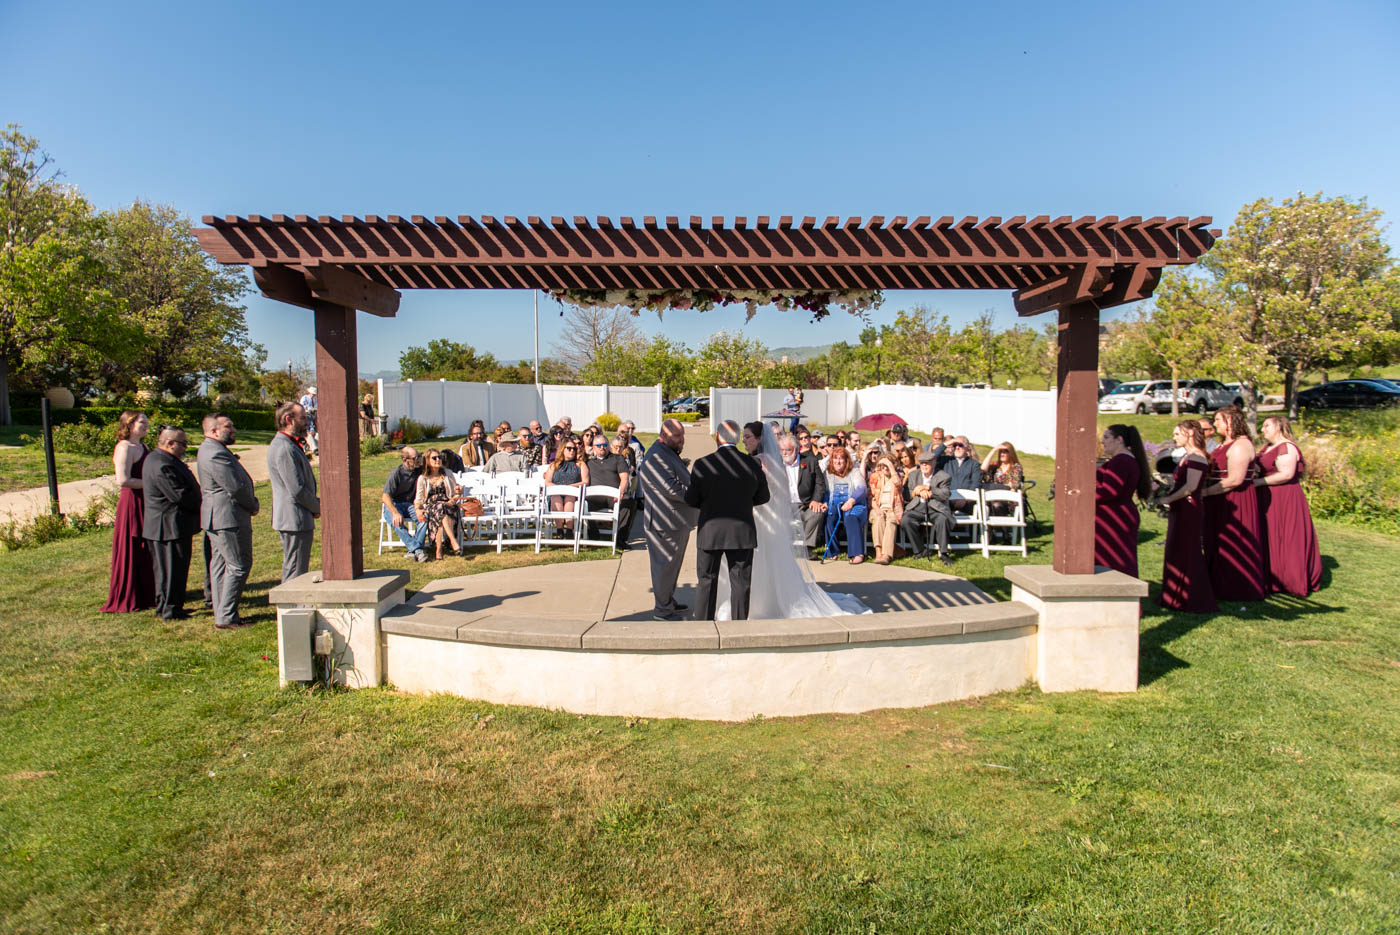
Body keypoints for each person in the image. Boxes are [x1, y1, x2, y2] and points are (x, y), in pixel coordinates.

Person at [686, 420, 771, 619]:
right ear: (737, 438)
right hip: (741, 531)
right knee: (741, 583)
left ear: (717, 437)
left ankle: (704, 625)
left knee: (706, 581)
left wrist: (708, 504)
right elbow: (764, 496)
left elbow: (691, 499)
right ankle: (738, 626)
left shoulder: (703, 464)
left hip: (710, 531)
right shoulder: (752, 463)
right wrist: (744, 503)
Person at [198, 413, 259, 629]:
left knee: (220, 565)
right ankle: (226, 616)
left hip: (218, 518)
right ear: (214, 431)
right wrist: (252, 504)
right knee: (238, 565)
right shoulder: (215, 453)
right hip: (228, 517)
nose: (233, 429)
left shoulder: (211, 449)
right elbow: (234, 487)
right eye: (228, 426)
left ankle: (221, 611)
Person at [1202, 406, 1267, 601]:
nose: (1215, 424)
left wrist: (1205, 492)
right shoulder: (1225, 443)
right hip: (1218, 498)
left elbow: (1235, 480)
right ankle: (1215, 582)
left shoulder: (1241, 445)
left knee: (1233, 539)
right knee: (1216, 538)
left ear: (1230, 420)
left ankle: (1235, 586)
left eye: (1218, 420)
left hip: (1235, 498)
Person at [1152, 419, 1217, 613]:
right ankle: (1175, 593)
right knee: (1176, 548)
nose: (1174, 438)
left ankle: (1190, 595)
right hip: (1180, 507)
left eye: (1177, 434)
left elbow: (1190, 487)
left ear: (1189, 434)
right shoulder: (1188, 456)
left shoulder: (1196, 457)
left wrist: (1168, 498)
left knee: (1187, 549)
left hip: (1189, 509)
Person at [1254, 415, 1322, 596]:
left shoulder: (1287, 447)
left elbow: (1286, 474)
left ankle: (1289, 578)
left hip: (1284, 496)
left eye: (1267, 426)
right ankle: (1272, 575)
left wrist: (1258, 482)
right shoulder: (1268, 447)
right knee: (1270, 534)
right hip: (1268, 496)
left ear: (1279, 427)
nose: (1262, 429)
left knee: (1286, 534)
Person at [142, 427, 202, 621]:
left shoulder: (160, 459)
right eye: (183, 444)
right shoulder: (162, 464)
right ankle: (170, 609)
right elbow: (179, 495)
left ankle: (168, 605)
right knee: (171, 570)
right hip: (168, 526)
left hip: (168, 525)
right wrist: (201, 502)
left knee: (170, 570)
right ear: (169, 443)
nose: (185, 447)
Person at [100, 410, 157, 613]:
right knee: (132, 544)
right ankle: (130, 593)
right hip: (132, 501)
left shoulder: (143, 446)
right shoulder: (124, 447)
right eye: (142, 422)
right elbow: (123, 480)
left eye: (147, 422)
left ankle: (147, 592)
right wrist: (151, 484)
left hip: (146, 500)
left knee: (146, 545)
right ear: (129, 425)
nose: (146, 426)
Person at [639, 419, 696, 620]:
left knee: (672, 567)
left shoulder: (666, 451)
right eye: (677, 436)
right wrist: (696, 495)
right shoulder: (656, 456)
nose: (682, 440)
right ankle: (662, 610)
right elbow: (671, 488)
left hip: (675, 521)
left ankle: (667, 601)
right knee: (663, 567)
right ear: (663, 435)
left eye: (682, 435)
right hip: (664, 522)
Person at [268, 401, 320, 583]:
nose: (307, 422)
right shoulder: (284, 448)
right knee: (295, 571)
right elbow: (296, 489)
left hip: (297, 516)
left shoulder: (288, 444)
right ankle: (290, 601)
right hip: (294, 518)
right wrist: (317, 507)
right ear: (288, 420)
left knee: (296, 566)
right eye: (303, 418)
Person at [1095, 424, 1151, 578]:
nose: (1102, 441)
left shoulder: (1121, 461)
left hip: (1114, 517)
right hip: (1116, 514)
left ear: (1119, 439)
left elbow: (1109, 491)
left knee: (1114, 562)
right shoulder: (1125, 460)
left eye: (1106, 437)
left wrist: (1082, 496)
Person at [900, 450, 955, 565]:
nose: (924, 465)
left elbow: (945, 494)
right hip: (917, 506)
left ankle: (944, 553)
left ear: (934, 463)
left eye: (927, 463)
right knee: (906, 520)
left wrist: (929, 489)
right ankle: (920, 550)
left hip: (936, 508)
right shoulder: (913, 475)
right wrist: (917, 492)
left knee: (942, 520)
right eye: (922, 463)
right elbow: (906, 494)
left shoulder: (943, 476)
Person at [778, 433, 827, 549]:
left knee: (817, 513)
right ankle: (782, 547)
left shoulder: (810, 461)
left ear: (796, 449)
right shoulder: (777, 464)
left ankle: (807, 547)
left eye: (787, 450)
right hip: (784, 505)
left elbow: (820, 484)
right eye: (781, 450)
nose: (784, 453)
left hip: (805, 504)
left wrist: (816, 500)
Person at [381, 447, 429, 562]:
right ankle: (418, 549)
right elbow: (385, 496)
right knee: (396, 521)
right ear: (404, 460)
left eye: (419, 456)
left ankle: (413, 550)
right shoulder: (396, 474)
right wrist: (395, 513)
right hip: (395, 504)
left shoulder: (420, 470)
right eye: (415, 458)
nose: (418, 460)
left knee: (424, 517)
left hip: (412, 504)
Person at [823, 444, 869, 564]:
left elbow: (861, 489)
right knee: (830, 517)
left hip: (854, 502)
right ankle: (832, 551)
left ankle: (857, 553)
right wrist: (825, 503)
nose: (838, 461)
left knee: (851, 517)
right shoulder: (828, 474)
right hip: (835, 503)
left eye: (841, 458)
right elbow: (826, 492)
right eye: (835, 458)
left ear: (846, 460)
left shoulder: (855, 472)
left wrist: (851, 501)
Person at [414, 450, 462, 558]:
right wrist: (418, 509)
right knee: (440, 510)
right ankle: (453, 541)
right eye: (434, 458)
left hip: (448, 505)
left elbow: (456, 493)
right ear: (427, 460)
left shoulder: (448, 474)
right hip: (431, 506)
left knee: (441, 509)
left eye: (439, 457)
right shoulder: (423, 478)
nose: (438, 460)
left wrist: (453, 500)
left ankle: (439, 550)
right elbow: (419, 498)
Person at [584, 434, 631, 543]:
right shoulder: (588, 462)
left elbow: (624, 478)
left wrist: (621, 492)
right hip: (595, 498)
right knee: (581, 503)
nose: (602, 447)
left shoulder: (618, 459)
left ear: (608, 445)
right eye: (598, 445)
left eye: (604, 444)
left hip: (614, 497)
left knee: (627, 501)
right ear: (593, 447)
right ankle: (593, 535)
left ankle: (620, 539)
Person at [544, 437, 590, 535]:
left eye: (574, 449)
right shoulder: (554, 465)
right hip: (557, 492)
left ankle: (569, 529)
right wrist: (558, 488)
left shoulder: (580, 464)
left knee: (570, 497)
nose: (572, 451)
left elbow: (585, 481)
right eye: (569, 448)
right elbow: (547, 481)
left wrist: (570, 487)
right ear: (562, 449)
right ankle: (559, 529)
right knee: (555, 497)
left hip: (574, 493)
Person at [868, 455, 904, 565]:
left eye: (888, 465)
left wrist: (890, 466)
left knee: (891, 520)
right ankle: (879, 552)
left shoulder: (898, 476)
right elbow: (870, 497)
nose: (885, 468)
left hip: (894, 509)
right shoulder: (875, 477)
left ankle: (886, 554)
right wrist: (877, 508)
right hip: (878, 507)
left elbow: (898, 485)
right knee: (878, 518)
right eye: (883, 466)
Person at [943, 438, 983, 512]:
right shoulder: (946, 461)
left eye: (960, 445)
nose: (957, 447)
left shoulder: (974, 464)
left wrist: (966, 499)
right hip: (947, 500)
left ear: (967, 448)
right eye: (955, 445)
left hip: (967, 501)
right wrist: (950, 442)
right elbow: (931, 456)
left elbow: (976, 483)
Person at [298, 386, 318, 455]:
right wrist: (309, 408)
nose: (313, 395)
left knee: (314, 432)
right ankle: (313, 448)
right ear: (309, 393)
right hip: (306, 415)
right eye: (312, 394)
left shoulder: (315, 399)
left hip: (313, 416)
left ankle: (314, 447)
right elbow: (301, 406)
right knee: (308, 432)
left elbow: (316, 406)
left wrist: (314, 409)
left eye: (314, 394)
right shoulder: (305, 398)